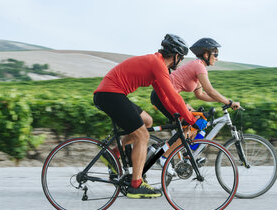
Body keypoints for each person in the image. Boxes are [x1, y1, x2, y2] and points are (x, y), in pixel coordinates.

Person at [93, 34, 207, 199]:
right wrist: (191, 119)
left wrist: (176, 115)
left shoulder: (157, 64)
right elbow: (174, 97)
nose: (181, 61)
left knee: (147, 121)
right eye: (181, 58)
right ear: (175, 55)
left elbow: (165, 97)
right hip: (110, 95)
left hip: (111, 94)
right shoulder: (157, 64)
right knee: (142, 135)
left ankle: (114, 154)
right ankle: (136, 185)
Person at [150, 38, 240, 164]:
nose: (217, 58)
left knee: (199, 120)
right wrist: (228, 102)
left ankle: (187, 155)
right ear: (206, 54)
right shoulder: (199, 67)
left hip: (169, 96)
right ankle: (164, 158)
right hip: (163, 96)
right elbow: (210, 91)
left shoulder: (197, 66)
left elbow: (201, 95)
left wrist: (222, 101)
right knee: (190, 125)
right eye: (216, 54)